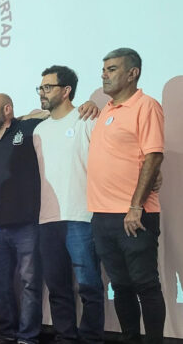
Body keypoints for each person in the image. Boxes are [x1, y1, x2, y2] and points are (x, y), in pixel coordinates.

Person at [87, 48, 165, 344]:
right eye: (104, 68)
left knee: (146, 285)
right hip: (102, 216)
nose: (104, 74)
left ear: (132, 73)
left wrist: (135, 206)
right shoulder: (106, 110)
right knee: (120, 286)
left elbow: (153, 157)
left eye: (112, 69)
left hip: (134, 214)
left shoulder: (146, 105)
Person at [32, 65, 104, 344]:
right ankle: (65, 338)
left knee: (90, 287)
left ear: (66, 91)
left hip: (81, 215)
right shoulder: (38, 130)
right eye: (40, 87)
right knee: (58, 288)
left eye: (47, 87)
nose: (42, 92)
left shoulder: (87, 120)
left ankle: (91, 339)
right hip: (47, 219)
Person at [0, 93, 44, 344]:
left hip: (27, 223)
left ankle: (28, 337)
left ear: (7, 109)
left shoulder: (25, 128)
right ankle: (7, 333)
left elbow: (48, 113)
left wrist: (23, 116)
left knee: (30, 283)